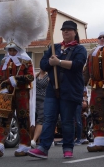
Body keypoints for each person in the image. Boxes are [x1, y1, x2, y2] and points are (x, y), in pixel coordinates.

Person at [27, 20, 87, 159]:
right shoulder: (54, 48)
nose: (65, 31)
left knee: (66, 120)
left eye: (69, 30)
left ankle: (68, 148)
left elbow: (78, 65)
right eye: (63, 29)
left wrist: (58, 62)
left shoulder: (80, 49)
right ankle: (43, 148)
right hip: (52, 89)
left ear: (75, 32)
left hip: (70, 89)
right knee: (48, 119)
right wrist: (50, 62)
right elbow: (42, 63)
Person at [0, 42, 34, 157]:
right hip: (6, 93)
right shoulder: (4, 61)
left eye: (14, 50)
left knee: (23, 118)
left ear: (18, 50)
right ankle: (0, 144)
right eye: (10, 50)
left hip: (22, 93)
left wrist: (16, 79)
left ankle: (25, 144)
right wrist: (2, 87)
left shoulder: (26, 61)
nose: (12, 52)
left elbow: (31, 76)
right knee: (3, 118)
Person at [31, 69, 49, 148]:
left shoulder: (48, 76)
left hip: (43, 100)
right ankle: (33, 139)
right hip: (34, 100)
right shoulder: (36, 75)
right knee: (32, 119)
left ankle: (34, 140)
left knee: (40, 120)